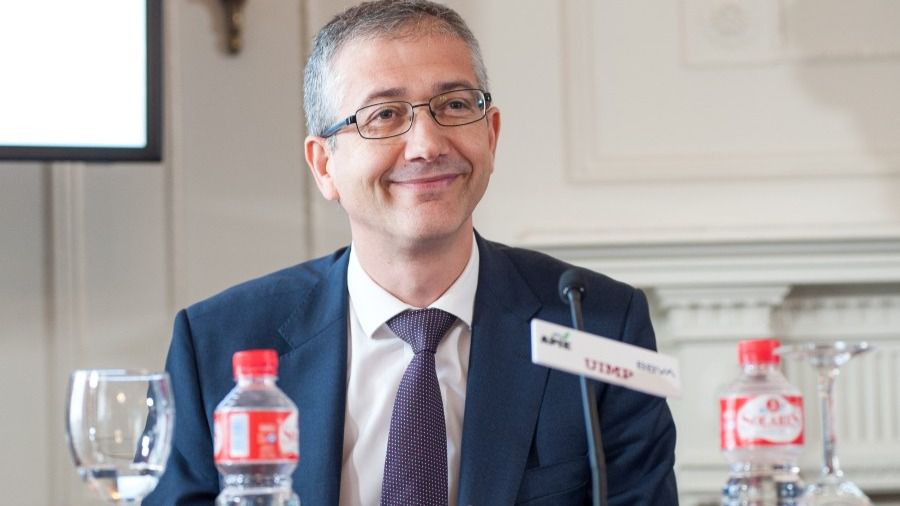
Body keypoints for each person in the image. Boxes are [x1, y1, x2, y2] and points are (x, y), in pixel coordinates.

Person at [146, 1, 678, 504]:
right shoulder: (217, 343)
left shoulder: (601, 325)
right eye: (384, 115)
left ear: (490, 135)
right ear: (324, 165)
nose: (427, 144)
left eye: (453, 105)